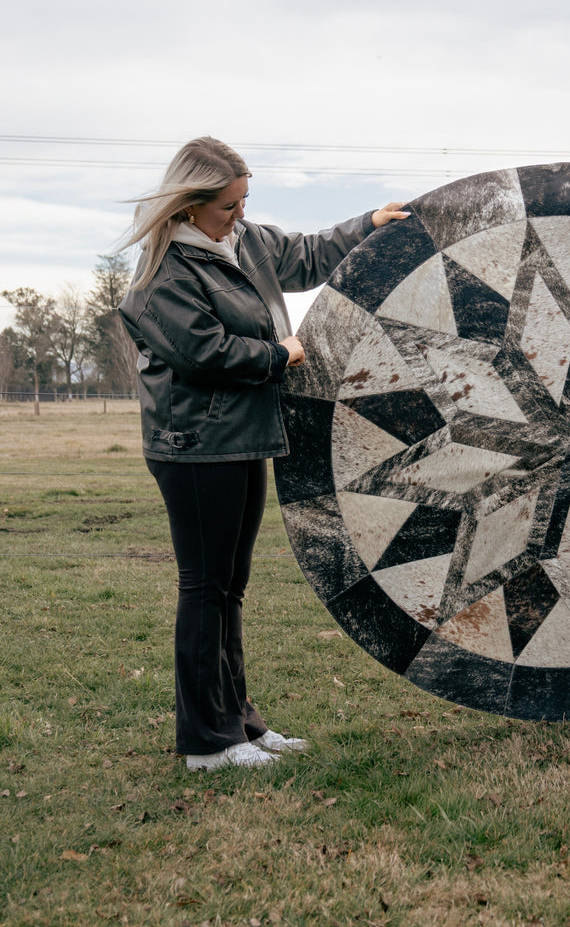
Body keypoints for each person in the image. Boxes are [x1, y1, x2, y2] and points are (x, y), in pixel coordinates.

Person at [119, 136, 408, 771]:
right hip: (194, 446)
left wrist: (368, 225)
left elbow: (308, 254)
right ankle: (206, 742)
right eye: (228, 205)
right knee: (205, 588)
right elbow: (203, 353)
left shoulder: (245, 242)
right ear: (189, 206)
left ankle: (240, 725)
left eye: (245, 200)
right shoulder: (162, 274)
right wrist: (282, 355)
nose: (240, 215)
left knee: (230, 588)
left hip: (243, 437)